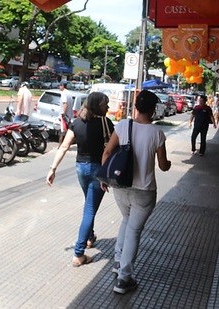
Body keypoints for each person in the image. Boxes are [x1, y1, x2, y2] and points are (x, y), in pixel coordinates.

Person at [101, 90, 172, 294]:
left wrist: (104, 178)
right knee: (134, 230)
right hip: (144, 190)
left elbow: (107, 152)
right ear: (152, 110)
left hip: (121, 186)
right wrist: (169, 163)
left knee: (126, 220)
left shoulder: (123, 126)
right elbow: (163, 165)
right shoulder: (157, 133)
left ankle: (117, 261)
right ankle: (124, 278)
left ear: (136, 107)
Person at [46, 92, 114, 266]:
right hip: (98, 170)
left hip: (81, 169)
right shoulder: (106, 123)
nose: (108, 107)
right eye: (105, 104)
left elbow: (63, 147)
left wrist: (53, 169)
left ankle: (90, 237)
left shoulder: (76, 123)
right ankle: (79, 254)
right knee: (90, 210)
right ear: (97, 105)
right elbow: (113, 149)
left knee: (89, 204)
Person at [58, 81, 73, 146]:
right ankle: (67, 144)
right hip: (69, 115)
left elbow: (65, 104)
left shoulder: (64, 93)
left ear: (62, 86)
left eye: (60, 85)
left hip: (65, 115)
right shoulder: (69, 93)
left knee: (63, 131)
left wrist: (63, 113)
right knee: (67, 130)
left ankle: (60, 145)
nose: (59, 87)